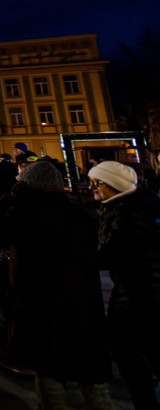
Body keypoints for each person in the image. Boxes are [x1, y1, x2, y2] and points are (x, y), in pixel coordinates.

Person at [6, 161, 112, 409]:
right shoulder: (80, 212)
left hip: (45, 305)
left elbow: (1, 235)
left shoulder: (24, 214)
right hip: (84, 303)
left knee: (51, 377)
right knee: (93, 378)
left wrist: (13, 200)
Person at [91, 160, 160, 409]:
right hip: (141, 289)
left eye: (96, 182)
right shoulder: (141, 202)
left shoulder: (125, 211)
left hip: (139, 291)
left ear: (113, 185)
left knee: (127, 351)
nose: (91, 187)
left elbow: (111, 253)